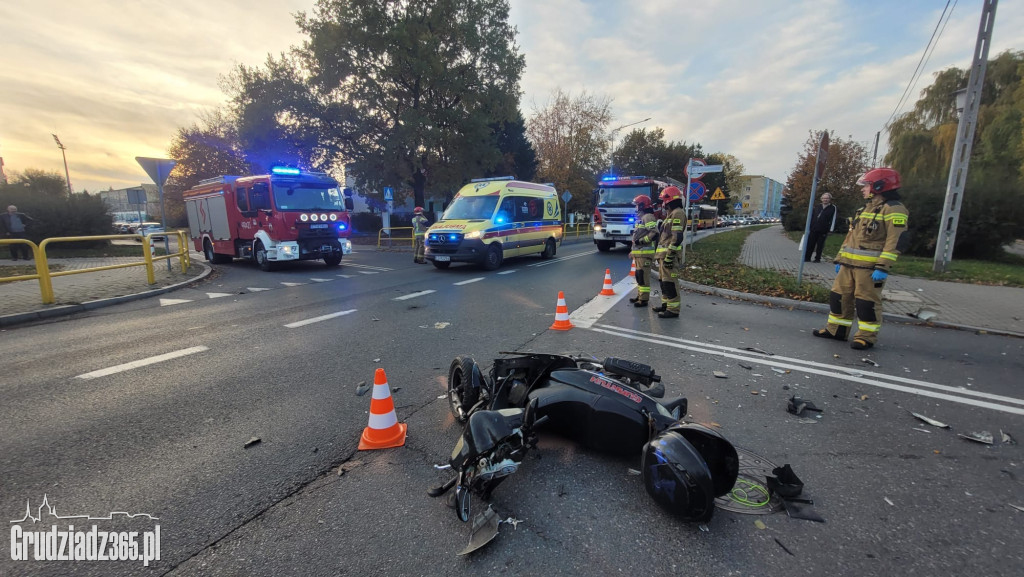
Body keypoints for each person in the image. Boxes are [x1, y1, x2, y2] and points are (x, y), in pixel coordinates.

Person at [813, 168, 909, 350]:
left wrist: (883, 266)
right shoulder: (864, 209)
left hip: (870, 268)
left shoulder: (894, 209)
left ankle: (866, 337)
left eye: (866, 185)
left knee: (866, 302)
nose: (862, 189)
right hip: (848, 265)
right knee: (838, 297)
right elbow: (851, 237)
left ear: (880, 186)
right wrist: (840, 258)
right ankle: (836, 330)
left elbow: (896, 241)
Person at [651, 186, 686, 319]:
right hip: (663, 256)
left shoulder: (678, 213)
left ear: (669, 199)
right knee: (664, 282)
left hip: (668, 256)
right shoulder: (670, 214)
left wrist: (670, 256)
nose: (662, 204)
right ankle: (666, 305)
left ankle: (673, 310)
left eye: (664, 201)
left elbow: (677, 238)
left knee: (670, 282)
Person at [628, 195, 659, 307]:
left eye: (637, 205)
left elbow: (654, 233)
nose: (636, 207)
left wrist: (641, 241)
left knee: (643, 277)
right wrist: (633, 251)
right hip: (639, 253)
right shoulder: (641, 218)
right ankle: (640, 296)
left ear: (642, 205)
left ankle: (644, 299)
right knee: (639, 276)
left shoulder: (648, 217)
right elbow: (636, 237)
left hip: (645, 253)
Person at [804, 193, 837, 262]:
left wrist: (831, 229)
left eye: (827, 198)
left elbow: (833, 218)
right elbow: (811, 216)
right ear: (821, 199)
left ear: (829, 199)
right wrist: (808, 226)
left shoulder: (833, 207)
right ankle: (807, 257)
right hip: (813, 228)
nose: (825, 200)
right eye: (824, 198)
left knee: (820, 245)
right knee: (810, 243)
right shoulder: (817, 206)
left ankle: (817, 258)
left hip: (823, 229)